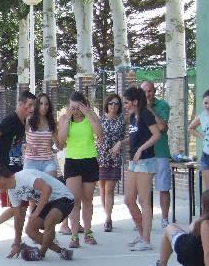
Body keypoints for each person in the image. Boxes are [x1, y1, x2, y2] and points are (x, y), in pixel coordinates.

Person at [0, 90, 37, 250]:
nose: (32, 108)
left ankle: (14, 239)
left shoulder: (22, 121)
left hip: (18, 170)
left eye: (34, 105)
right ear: (20, 104)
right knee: (17, 207)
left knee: (22, 207)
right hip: (6, 172)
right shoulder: (11, 120)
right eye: (29, 105)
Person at [0, 165, 74, 261]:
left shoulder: (23, 176)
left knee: (49, 220)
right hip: (47, 202)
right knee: (30, 230)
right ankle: (62, 252)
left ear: (1, 179)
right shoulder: (11, 192)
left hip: (63, 197)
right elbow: (18, 218)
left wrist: (37, 212)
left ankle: (40, 254)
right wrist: (17, 243)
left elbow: (47, 189)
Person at [57, 91, 102, 247]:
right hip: (72, 161)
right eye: (72, 107)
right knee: (74, 200)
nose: (75, 110)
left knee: (87, 200)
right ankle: (74, 236)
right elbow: (61, 142)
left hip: (89, 160)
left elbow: (99, 133)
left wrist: (88, 114)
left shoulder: (91, 116)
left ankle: (88, 232)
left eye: (78, 107)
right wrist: (68, 119)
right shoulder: (64, 119)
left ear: (84, 105)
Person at [122, 86, 162, 251]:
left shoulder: (146, 114)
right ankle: (141, 234)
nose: (125, 105)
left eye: (126, 102)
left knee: (144, 201)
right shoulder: (133, 117)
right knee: (129, 199)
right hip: (134, 162)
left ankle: (146, 240)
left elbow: (157, 134)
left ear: (135, 102)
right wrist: (121, 143)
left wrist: (141, 149)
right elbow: (134, 138)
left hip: (146, 162)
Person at [141, 82, 172, 228]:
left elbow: (162, 127)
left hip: (160, 152)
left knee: (163, 187)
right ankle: (146, 219)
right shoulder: (137, 107)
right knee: (144, 189)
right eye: (144, 92)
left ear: (154, 91)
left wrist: (150, 110)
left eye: (150, 91)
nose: (147, 94)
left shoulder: (163, 105)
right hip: (145, 153)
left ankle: (164, 219)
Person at [96, 93, 125, 232]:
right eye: (111, 103)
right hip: (100, 157)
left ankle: (108, 219)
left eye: (116, 104)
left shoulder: (122, 120)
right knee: (102, 189)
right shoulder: (100, 120)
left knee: (109, 190)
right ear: (106, 105)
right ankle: (106, 215)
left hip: (114, 158)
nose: (113, 106)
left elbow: (128, 137)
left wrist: (120, 144)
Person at [24, 93, 60, 176]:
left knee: (50, 185)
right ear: (37, 105)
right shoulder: (29, 120)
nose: (44, 107)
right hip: (31, 160)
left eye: (46, 104)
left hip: (48, 161)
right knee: (33, 187)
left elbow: (58, 144)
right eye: (41, 103)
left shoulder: (51, 122)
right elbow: (19, 139)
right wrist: (27, 145)